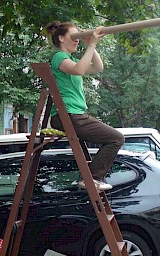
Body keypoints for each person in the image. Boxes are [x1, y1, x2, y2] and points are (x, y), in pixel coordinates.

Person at [45, 21, 124, 191]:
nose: (76, 41)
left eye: (78, 38)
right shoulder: (59, 57)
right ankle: (92, 178)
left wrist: (91, 46)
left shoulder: (71, 60)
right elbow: (80, 70)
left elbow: (98, 67)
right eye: (74, 37)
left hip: (73, 115)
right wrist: (92, 44)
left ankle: (92, 178)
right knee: (116, 138)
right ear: (60, 38)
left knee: (115, 138)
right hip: (68, 115)